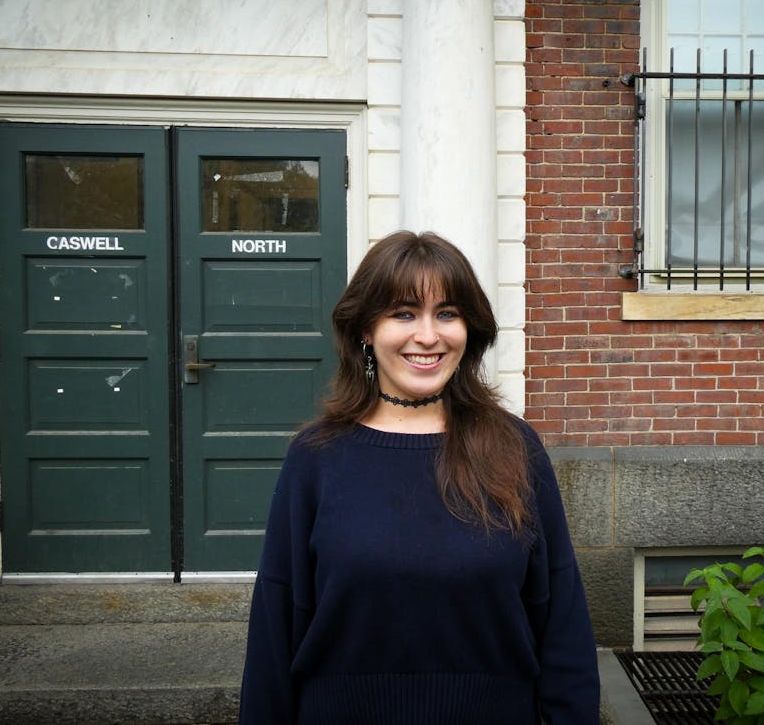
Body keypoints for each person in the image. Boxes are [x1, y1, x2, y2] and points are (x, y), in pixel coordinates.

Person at [239, 231, 600, 725]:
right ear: (366, 329)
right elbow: (275, 628)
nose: (428, 335)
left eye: (447, 313)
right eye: (404, 313)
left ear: (470, 327)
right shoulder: (317, 457)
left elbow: (561, 621)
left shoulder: (514, 447)